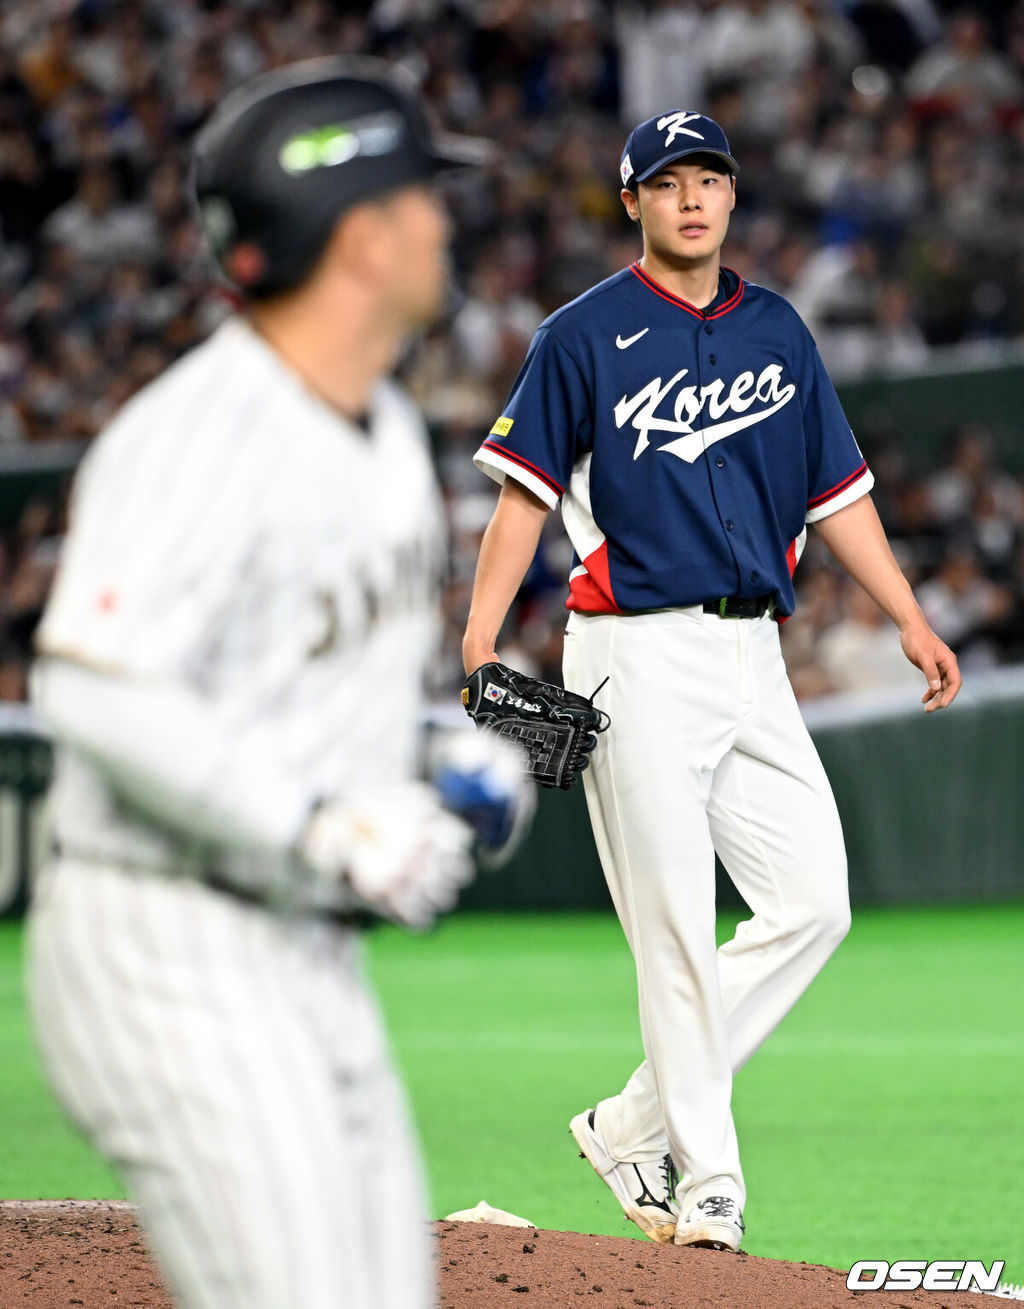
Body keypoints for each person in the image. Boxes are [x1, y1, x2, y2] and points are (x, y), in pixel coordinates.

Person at [27, 57, 507, 1309]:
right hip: (167, 939)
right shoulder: (201, 432)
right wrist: (312, 825)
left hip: (300, 939)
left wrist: (426, 778)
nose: (443, 222)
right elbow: (90, 685)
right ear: (360, 236)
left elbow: (293, 694)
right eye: (422, 196)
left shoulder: (386, 430)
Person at [461, 108, 960, 1252]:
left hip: (753, 654)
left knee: (812, 899)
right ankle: (707, 1180)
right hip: (633, 652)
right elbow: (522, 497)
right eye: (667, 181)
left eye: (710, 179)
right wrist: (480, 642)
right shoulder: (579, 337)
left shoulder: (779, 332)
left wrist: (909, 616)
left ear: (732, 199)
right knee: (678, 927)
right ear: (630, 201)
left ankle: (630, 1122)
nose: (692, 198)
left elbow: (838, 495)